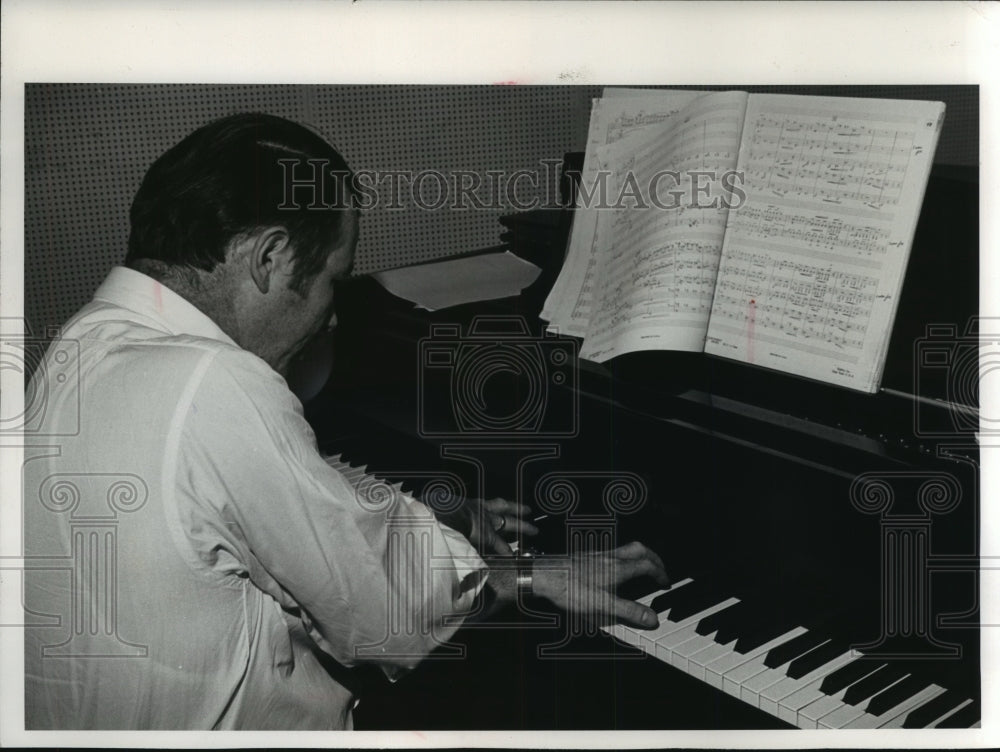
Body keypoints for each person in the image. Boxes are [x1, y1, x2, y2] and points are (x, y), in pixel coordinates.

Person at [22, 113, 669, 730]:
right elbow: (387, 618)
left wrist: (433, 517)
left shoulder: (85, 343)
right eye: (335, 279)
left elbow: (276, 505)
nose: (333, 318)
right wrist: (528, 573)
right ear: (269, 258)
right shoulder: (213, 381)